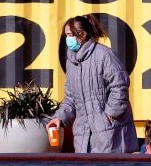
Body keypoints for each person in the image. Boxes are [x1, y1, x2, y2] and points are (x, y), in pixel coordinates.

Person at [47, 14, 138, 153]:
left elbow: (120, 85)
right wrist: (59, 118)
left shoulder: (103, 55)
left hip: (109, 133)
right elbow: (71, 99)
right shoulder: (71, 62)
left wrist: (110, 114)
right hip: (83, 136)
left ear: (82, 35)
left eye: (70, 35)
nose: (67, 39)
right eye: (66, 36)